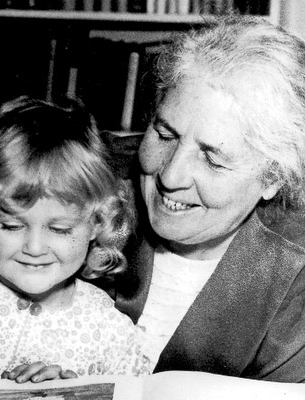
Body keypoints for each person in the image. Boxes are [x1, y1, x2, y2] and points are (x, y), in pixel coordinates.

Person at [105, 16, 305, 382]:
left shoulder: (296, 274)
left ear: (273, 177)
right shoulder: (86, 186)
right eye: (164, 134)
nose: (170, 176)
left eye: (212, 159)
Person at [0, 96, 150, 383]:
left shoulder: (110, 333)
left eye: (59, 229)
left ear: (97, 223)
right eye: (10, 225)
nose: (33, 248)